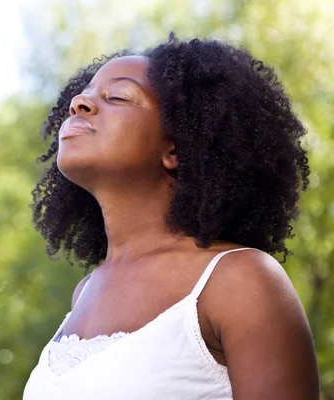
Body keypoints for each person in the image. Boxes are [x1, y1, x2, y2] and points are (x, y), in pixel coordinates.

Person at [23, 34, 320, 399]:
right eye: (82, 94)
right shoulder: (84, 292)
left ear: (176, 147)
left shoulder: (240, 281)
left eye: (117, 96)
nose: (79, 103)